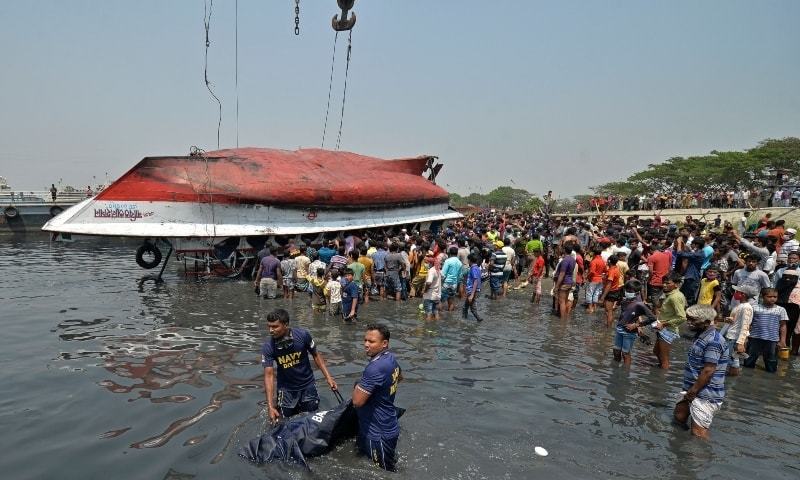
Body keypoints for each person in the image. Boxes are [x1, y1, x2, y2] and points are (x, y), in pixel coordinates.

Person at [261, 309, 338, 422]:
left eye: (275, 327)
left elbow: (316, 355)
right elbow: (269, 376)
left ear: (286, 325)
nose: (271, 330)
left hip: (308, 386)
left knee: (313, 420)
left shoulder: (303, 335)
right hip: (286, 390)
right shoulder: (268, 346)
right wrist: (270, 406)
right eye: (269, 326)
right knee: (284, 422)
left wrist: (329, 378)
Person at [352, 324, 402, 471]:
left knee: (384, 473)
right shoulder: (391, 359)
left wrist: (357, 385)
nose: (366, 344)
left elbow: (357, 402)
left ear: (384, 343)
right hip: (387, 423)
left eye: (371, 341)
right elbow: (400, 376)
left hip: (378, 433)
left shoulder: (375, 368)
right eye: (365, 340)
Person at [674, 304, 728, 439]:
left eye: (693, 320)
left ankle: (700, 457)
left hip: (704, 393)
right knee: (679, 417)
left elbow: (709, 370)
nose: (689, 323)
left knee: (698, 434)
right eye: (688, 319)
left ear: (705, 321)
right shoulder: (700, 335)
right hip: (692, 388)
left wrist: (693, 391)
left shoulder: (714, 341)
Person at [743, 287, 788, 373]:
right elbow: (748, 323)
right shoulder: (755, 308)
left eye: (775, 297)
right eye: (769, 296)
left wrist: (782, 340)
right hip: (755, 338)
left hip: (772, 340)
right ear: (762, 296)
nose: (773, 299)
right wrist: (745, 337)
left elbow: (783, 326)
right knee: (749, 361)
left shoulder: (781, 310)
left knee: (771, 364)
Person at [612, 279, 657, 365]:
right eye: (626, 290)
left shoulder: (639, 304)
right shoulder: (625, 301)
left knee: (625, 353)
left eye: (630, 291)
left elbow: (653, 318)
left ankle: (625, 374)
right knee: (616, 351)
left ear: (637, 293)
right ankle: (616, 372)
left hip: (629, 332)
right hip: (620, 328)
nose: (627, 292)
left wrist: (636, 325)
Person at [653, 273, 686, 369]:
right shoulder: (668, 294)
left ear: (676, 284)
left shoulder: (675, 297)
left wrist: (664, 324)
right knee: (656, 352)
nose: (664, 285)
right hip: (662, 327)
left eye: (667, 283)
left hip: (668, 329)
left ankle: (662, 379)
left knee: (664, 359)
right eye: (663, 283)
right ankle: (660, 370)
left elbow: (682, 317)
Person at [723, 284, 758, 376]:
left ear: (743, 295)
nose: (735, 293)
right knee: (732, 359)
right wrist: (729, 319)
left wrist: (740, 342)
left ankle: (732, 380)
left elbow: (745, 326)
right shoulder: (740, 305)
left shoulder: (746, 307)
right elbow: (737, 321)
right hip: (731, 335)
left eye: (738, 292)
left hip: (735, 338)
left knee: (732, 360)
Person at [462, 253, 483, 322]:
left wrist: (472, 294)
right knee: (466, 307)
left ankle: (479, 319)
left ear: (470, 260)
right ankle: (464, 319)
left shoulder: (473, 268)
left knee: (471, 308)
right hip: (473, 291)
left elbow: (476, 281)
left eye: (468, 260)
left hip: (472, 291)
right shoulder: (477, 268)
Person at [422, 251, 442, 320]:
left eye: (427, 263)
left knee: (428, 313)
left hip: (430, 296)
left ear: (431, 263)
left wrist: (425, 290)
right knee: (436, 313)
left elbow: (428, 282)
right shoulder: (438, 270)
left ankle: (427, 328)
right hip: (437, 296)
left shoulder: (431, 270)